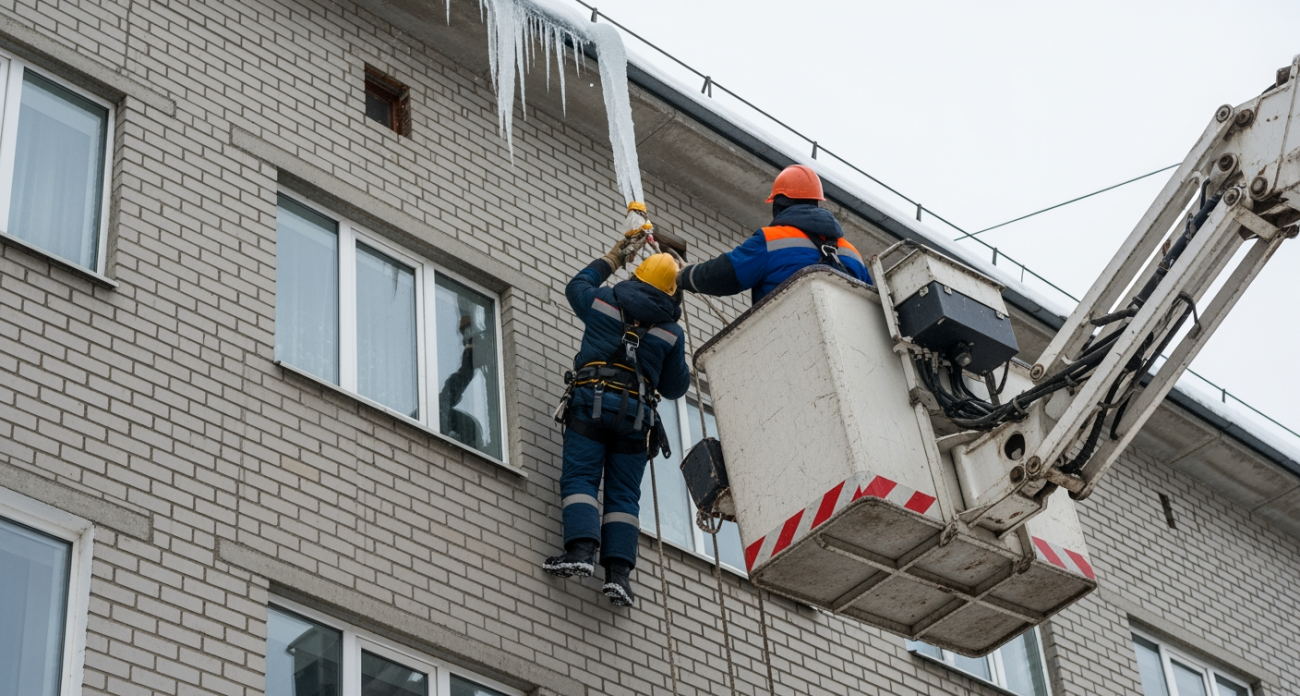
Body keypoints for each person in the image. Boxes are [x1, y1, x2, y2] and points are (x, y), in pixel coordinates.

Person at [543, 226, 690, 608]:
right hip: (635, 420)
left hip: (591, 404)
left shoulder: (603, 302)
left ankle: (580, 553)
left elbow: (577, 285)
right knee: (624, 495)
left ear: (636, 275)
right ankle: (619, 577)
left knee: (581, 478)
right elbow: (675, 388)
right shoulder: (672, 333)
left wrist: (614, 257)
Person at [676, 164, 872, 302]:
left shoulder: (771, 240)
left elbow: (723, 275)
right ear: (816, 202)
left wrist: (683, 276)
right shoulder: (853, 254)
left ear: (780, 204)